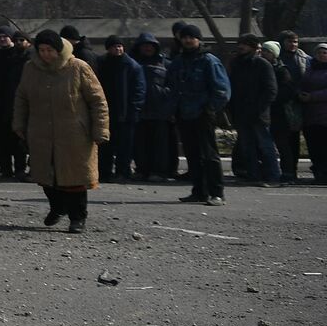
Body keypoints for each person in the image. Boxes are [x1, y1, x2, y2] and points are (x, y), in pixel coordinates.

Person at [15, 29, 110, 233]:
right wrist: (19, 125)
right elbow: (22, 98)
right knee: (46, 176)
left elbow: (98, 100)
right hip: (41, 132)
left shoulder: (78, 67)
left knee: (75, 178)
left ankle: (78, 218)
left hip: (74, 134)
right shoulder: (31, 69)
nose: (46, 54)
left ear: (58, 50)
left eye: (50, 50)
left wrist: (101, 128)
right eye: (41, 50)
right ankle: (57, 208)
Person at [169, 21, 232, 206]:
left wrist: (210, 108)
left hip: (203, 114)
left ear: (199, 40)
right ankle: (199, 191)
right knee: (192, 154)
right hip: (184, 114)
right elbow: (172, 88)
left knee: (209, 155)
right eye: (185, 37)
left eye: (192, 37)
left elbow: (222, 90)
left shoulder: (209, 61)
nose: (188, 40)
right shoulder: (178, 62)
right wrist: (173, 109)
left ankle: (217, 193)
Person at [227, 34, 280, 186]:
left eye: (245, 44)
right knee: (247, 146)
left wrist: (259, 109)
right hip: (241, 113)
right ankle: (253, 175)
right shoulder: (236, 64)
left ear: (253, 47)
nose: (240, 47)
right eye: (240, 44)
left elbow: (271, 90)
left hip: (258, 114)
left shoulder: (263, 64)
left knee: (265, 146)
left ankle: (273, 176)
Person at [93, 36, 145, 181]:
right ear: (108, 49)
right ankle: (105, 172)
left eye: (120, 46)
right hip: (107, 111)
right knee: (105, 145)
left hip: (126, 113)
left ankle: (123, 172)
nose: (118, 49)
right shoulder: (102, 63)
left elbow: (139, 90)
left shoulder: (132, 66)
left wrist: (134, 109)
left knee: (125, 146)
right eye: (114, 46)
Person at [131, 32, 176, 182]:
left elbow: (173, 86)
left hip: (160, 111)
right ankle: (142, 170)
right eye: (144, 45)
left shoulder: (166, 64)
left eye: (151, 45)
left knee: (160, 145)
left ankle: (159, 171)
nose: (147, 48)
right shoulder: (133, 64)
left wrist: (169, 106)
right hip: (140, 110)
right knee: (140, 144)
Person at [0, 27, 30, 180]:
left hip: (16, 101)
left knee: (18, 138)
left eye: (5, 36)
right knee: (3, 138)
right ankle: (6, 168)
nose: (1, 39)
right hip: (2, 102)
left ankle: (19, 168)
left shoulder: (20, 56)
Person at [272, 31, 307, 183]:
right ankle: (288, 170)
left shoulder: (304, 59)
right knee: (284, 137)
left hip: (300, 102)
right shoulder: (277, 59)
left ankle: (293, 170)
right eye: (289, 42)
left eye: (295, 42)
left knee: (295, 138)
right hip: (281, 103)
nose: (293, 45)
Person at [296, 41, 327, 182]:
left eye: (325, 52)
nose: (322, 55)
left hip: (324, 114)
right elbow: (302, 84)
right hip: (310, 114)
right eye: (319, 52)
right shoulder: (310, 69)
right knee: (314, 146)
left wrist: (313, 97)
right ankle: (318, 171)